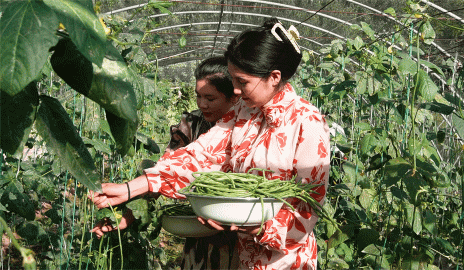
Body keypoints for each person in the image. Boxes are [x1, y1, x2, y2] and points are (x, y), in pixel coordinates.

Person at [92, 18, 330, 270]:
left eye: (242, 81)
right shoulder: (244, 113)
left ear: (274, 76)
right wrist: (132, 188)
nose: (235, 90)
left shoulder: (307, 122)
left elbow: (307, 205)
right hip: (243, 256)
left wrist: (254, 225)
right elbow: (201, 155)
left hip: (286, 260)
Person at [91, 56, 240, 269]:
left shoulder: (245, 130)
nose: (202, 104)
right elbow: (166, 170)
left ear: (233, 97)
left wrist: (128, 190)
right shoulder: (192, 123)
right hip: (198, 230)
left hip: (238, 234)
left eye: (211, 97)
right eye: (198, 96)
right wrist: (127, 215)